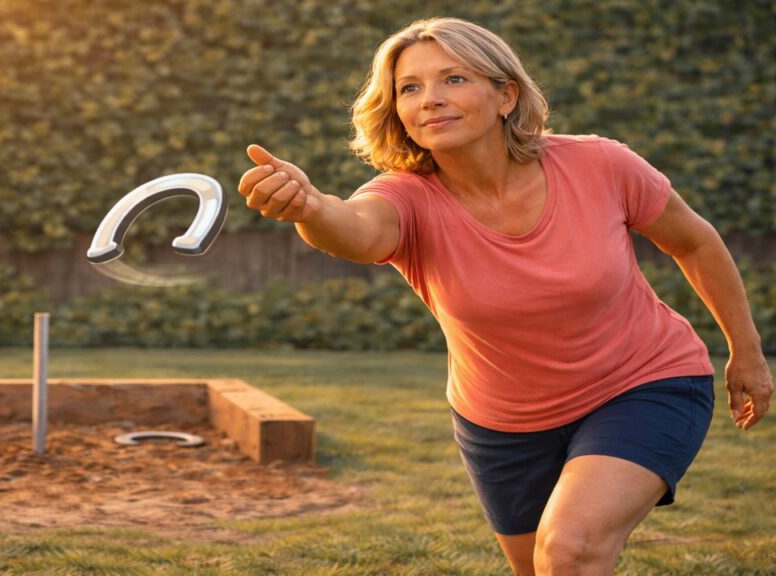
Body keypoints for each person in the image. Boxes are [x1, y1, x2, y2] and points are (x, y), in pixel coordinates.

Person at [237, 16, 772, 576]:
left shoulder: (599, 164)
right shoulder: (405, 199)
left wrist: (746, 350)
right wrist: (310, 207)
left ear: (506, 95)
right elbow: (355, 231)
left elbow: (695, 241)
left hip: (642, 383)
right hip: (502, 424)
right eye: (410, 88)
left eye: (454, 80)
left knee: (568, 550)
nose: (431, 100)